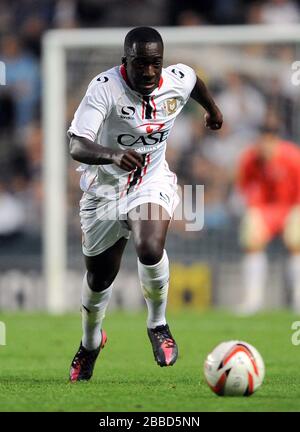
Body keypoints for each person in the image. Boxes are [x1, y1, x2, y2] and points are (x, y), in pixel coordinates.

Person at [68, 26, 223, 382]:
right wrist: (112, 154)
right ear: (126, 62)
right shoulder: (104, 89)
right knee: (99, 278)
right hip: (103, 192)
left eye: (156, 63)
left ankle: (158, 324)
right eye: (141, 64)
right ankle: (90, 343)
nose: (150, 72)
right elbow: (76, 145)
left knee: (150, 247)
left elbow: (194, 80)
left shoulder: (175, 79)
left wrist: (212, 111)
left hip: (151, 182)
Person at [237, 115, 300, 314]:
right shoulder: (250, 159)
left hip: (292, 207)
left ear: (276, 140)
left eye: (269, 139)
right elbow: (245, 187)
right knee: (251, 237)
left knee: (296, 242)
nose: (265, 144)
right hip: (265, 211)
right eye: (262, 139)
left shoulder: (292, 157)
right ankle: (253, 300)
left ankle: (298, 299)